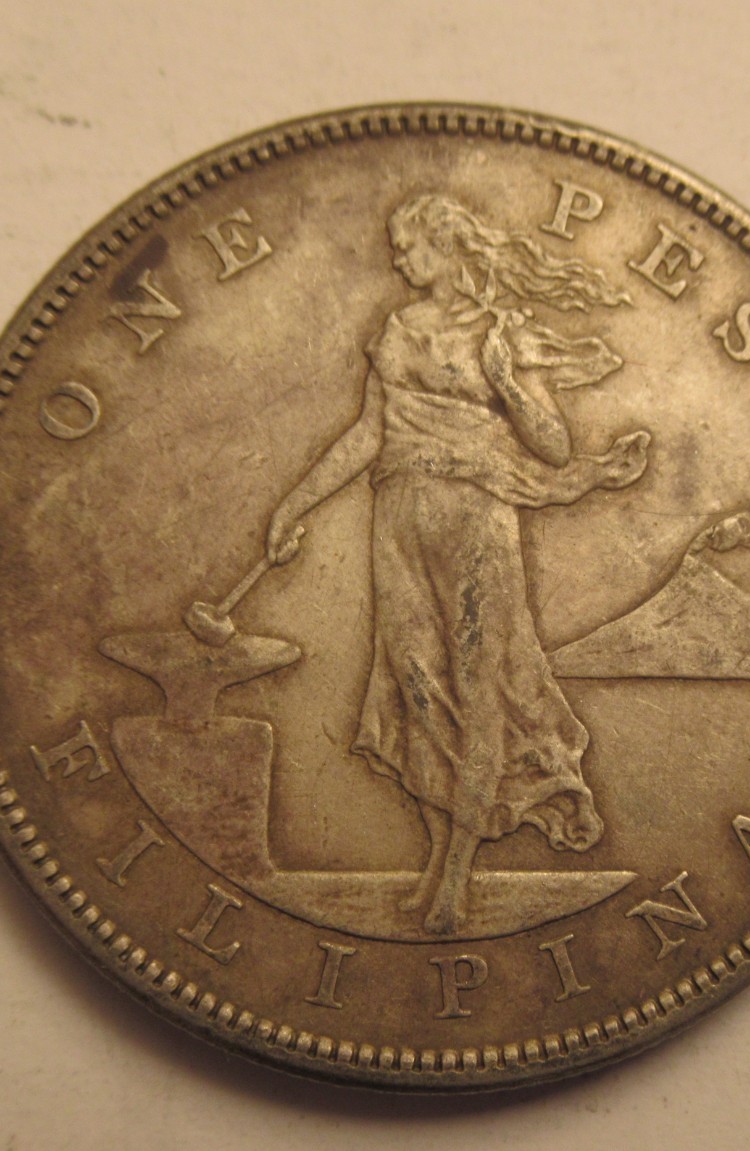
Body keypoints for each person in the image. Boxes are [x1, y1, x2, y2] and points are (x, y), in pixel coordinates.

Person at [267, 194, 650, 935]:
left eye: (409, 246)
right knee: (413, 684)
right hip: (399, 518)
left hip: (477, 522)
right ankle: (439, 857)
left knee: (478, 691)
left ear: (447, 249)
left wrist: (504, 377)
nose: (398, 259)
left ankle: (456, 876)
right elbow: (367, 434)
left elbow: (553, 447)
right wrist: (294, 504)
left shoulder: (500, 332)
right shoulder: (397, 329)